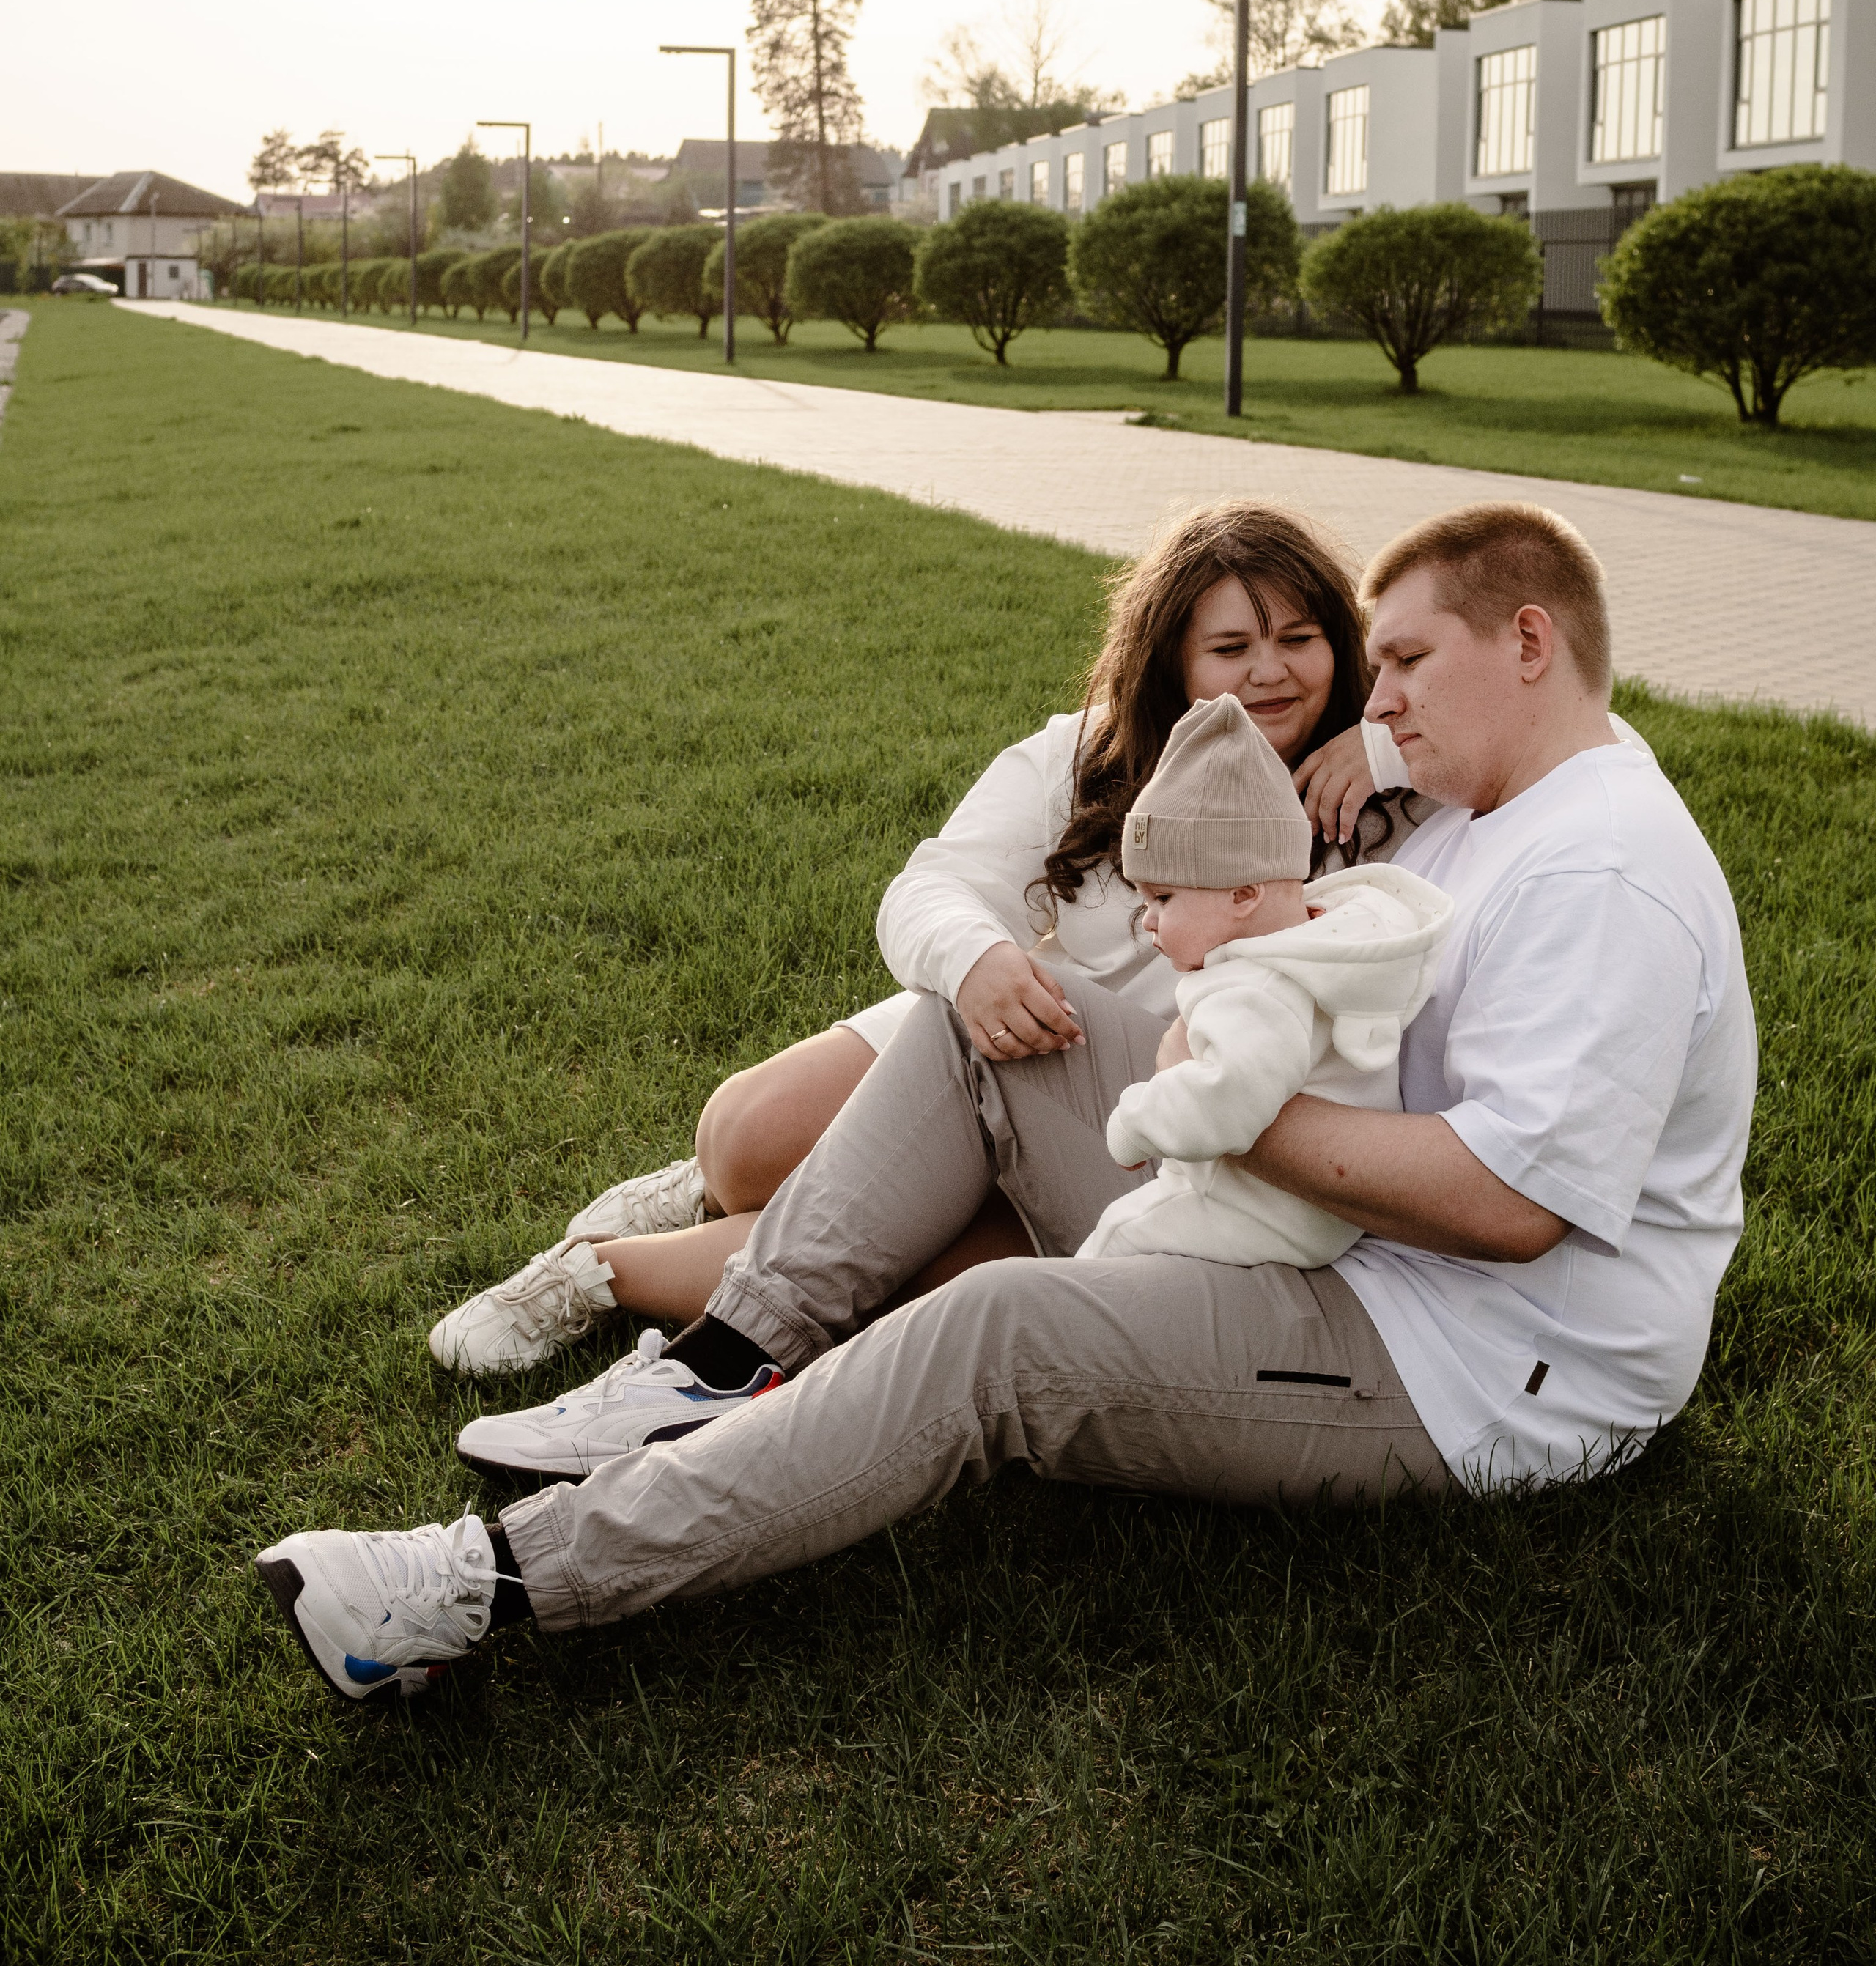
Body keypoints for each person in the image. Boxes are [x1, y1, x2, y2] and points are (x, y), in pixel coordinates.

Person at [255, 500, 1757, 1704]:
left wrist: (1218, 1103)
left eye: (1400, 665)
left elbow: (1510, 1208)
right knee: (987, 1032)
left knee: (994, 1327)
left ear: (1529, 639)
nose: (1374, 697)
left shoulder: (1601, 863)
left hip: (1471, 1363)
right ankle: (717, 1357)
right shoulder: (1492, 794)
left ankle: (480, 1582)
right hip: (1319, 1221)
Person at [426, 500, 1427, 1376]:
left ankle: (595, 1272)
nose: (1270, 673)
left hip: (1132, 1124)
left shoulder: (1379, 801)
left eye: (1300, 639)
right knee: (743, 1142)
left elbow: (1569, 733)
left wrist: (1383, 741)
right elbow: (934, 885)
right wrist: (981, 962)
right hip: (1005, 1030)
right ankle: (702, 1192)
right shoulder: (1081, 754)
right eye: (1231, 648)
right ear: (1172, 658)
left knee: (932, 1267)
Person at [1076, 692, 1451, 1269]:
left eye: (1164, 897)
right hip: (1306, 1211)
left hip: (1264, 1212)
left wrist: (1135, 1120)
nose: (1147, 920)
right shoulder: (1320, 943)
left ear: (1245, 893)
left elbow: (1232, 1096)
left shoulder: (1261, 989)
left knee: (1114, 1237)